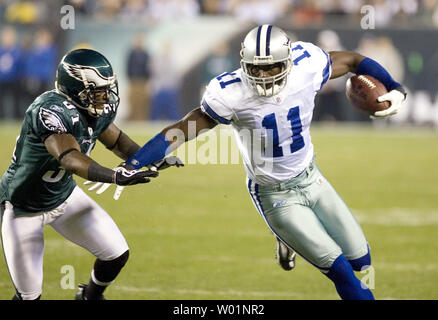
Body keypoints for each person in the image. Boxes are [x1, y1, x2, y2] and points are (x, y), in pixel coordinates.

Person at [93, 25, 406, 300]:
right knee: (341, 273)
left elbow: (352, 60)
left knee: (361, 262)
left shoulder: (308, 65)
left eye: (271, 68)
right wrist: (135, 161)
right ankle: (286, 231)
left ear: (287, 61)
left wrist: (394, 86)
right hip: (274, 194)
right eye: (256, 68)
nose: (263, 75)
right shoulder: (231, 92)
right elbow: (183, 128)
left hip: (311, 177)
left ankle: (286, 241)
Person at [0, 48, 171, 300]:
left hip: (63, 196)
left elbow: (117, 140)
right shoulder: (49, 110)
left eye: (107, 88)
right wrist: (114, 176)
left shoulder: (93, 108)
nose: (105, 96)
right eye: (97, 90)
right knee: (28, 297)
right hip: (23, 206)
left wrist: (151, 158)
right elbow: (70, 158)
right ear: (73, 88)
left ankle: (89, 296)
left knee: (116, 254)